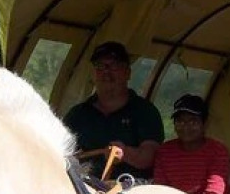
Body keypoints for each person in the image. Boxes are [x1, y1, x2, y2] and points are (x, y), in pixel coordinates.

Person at [61, 41, 164, 181]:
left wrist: (124, 153)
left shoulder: (145, 112)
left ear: (128, 73)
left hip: (132, 190)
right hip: (83, 189)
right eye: (100, 66)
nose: (106, 71)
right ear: (93, 74)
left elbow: (149, 157)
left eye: (113, 66)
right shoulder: (77, 114)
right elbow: (60, 153)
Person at [152, 93, 230, 194]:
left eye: (193, 121)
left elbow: (214, 193)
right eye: (180, 121)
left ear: (204, 123)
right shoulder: (164, 151)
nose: (186, 127)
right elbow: (161, 189)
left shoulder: (218, 151)